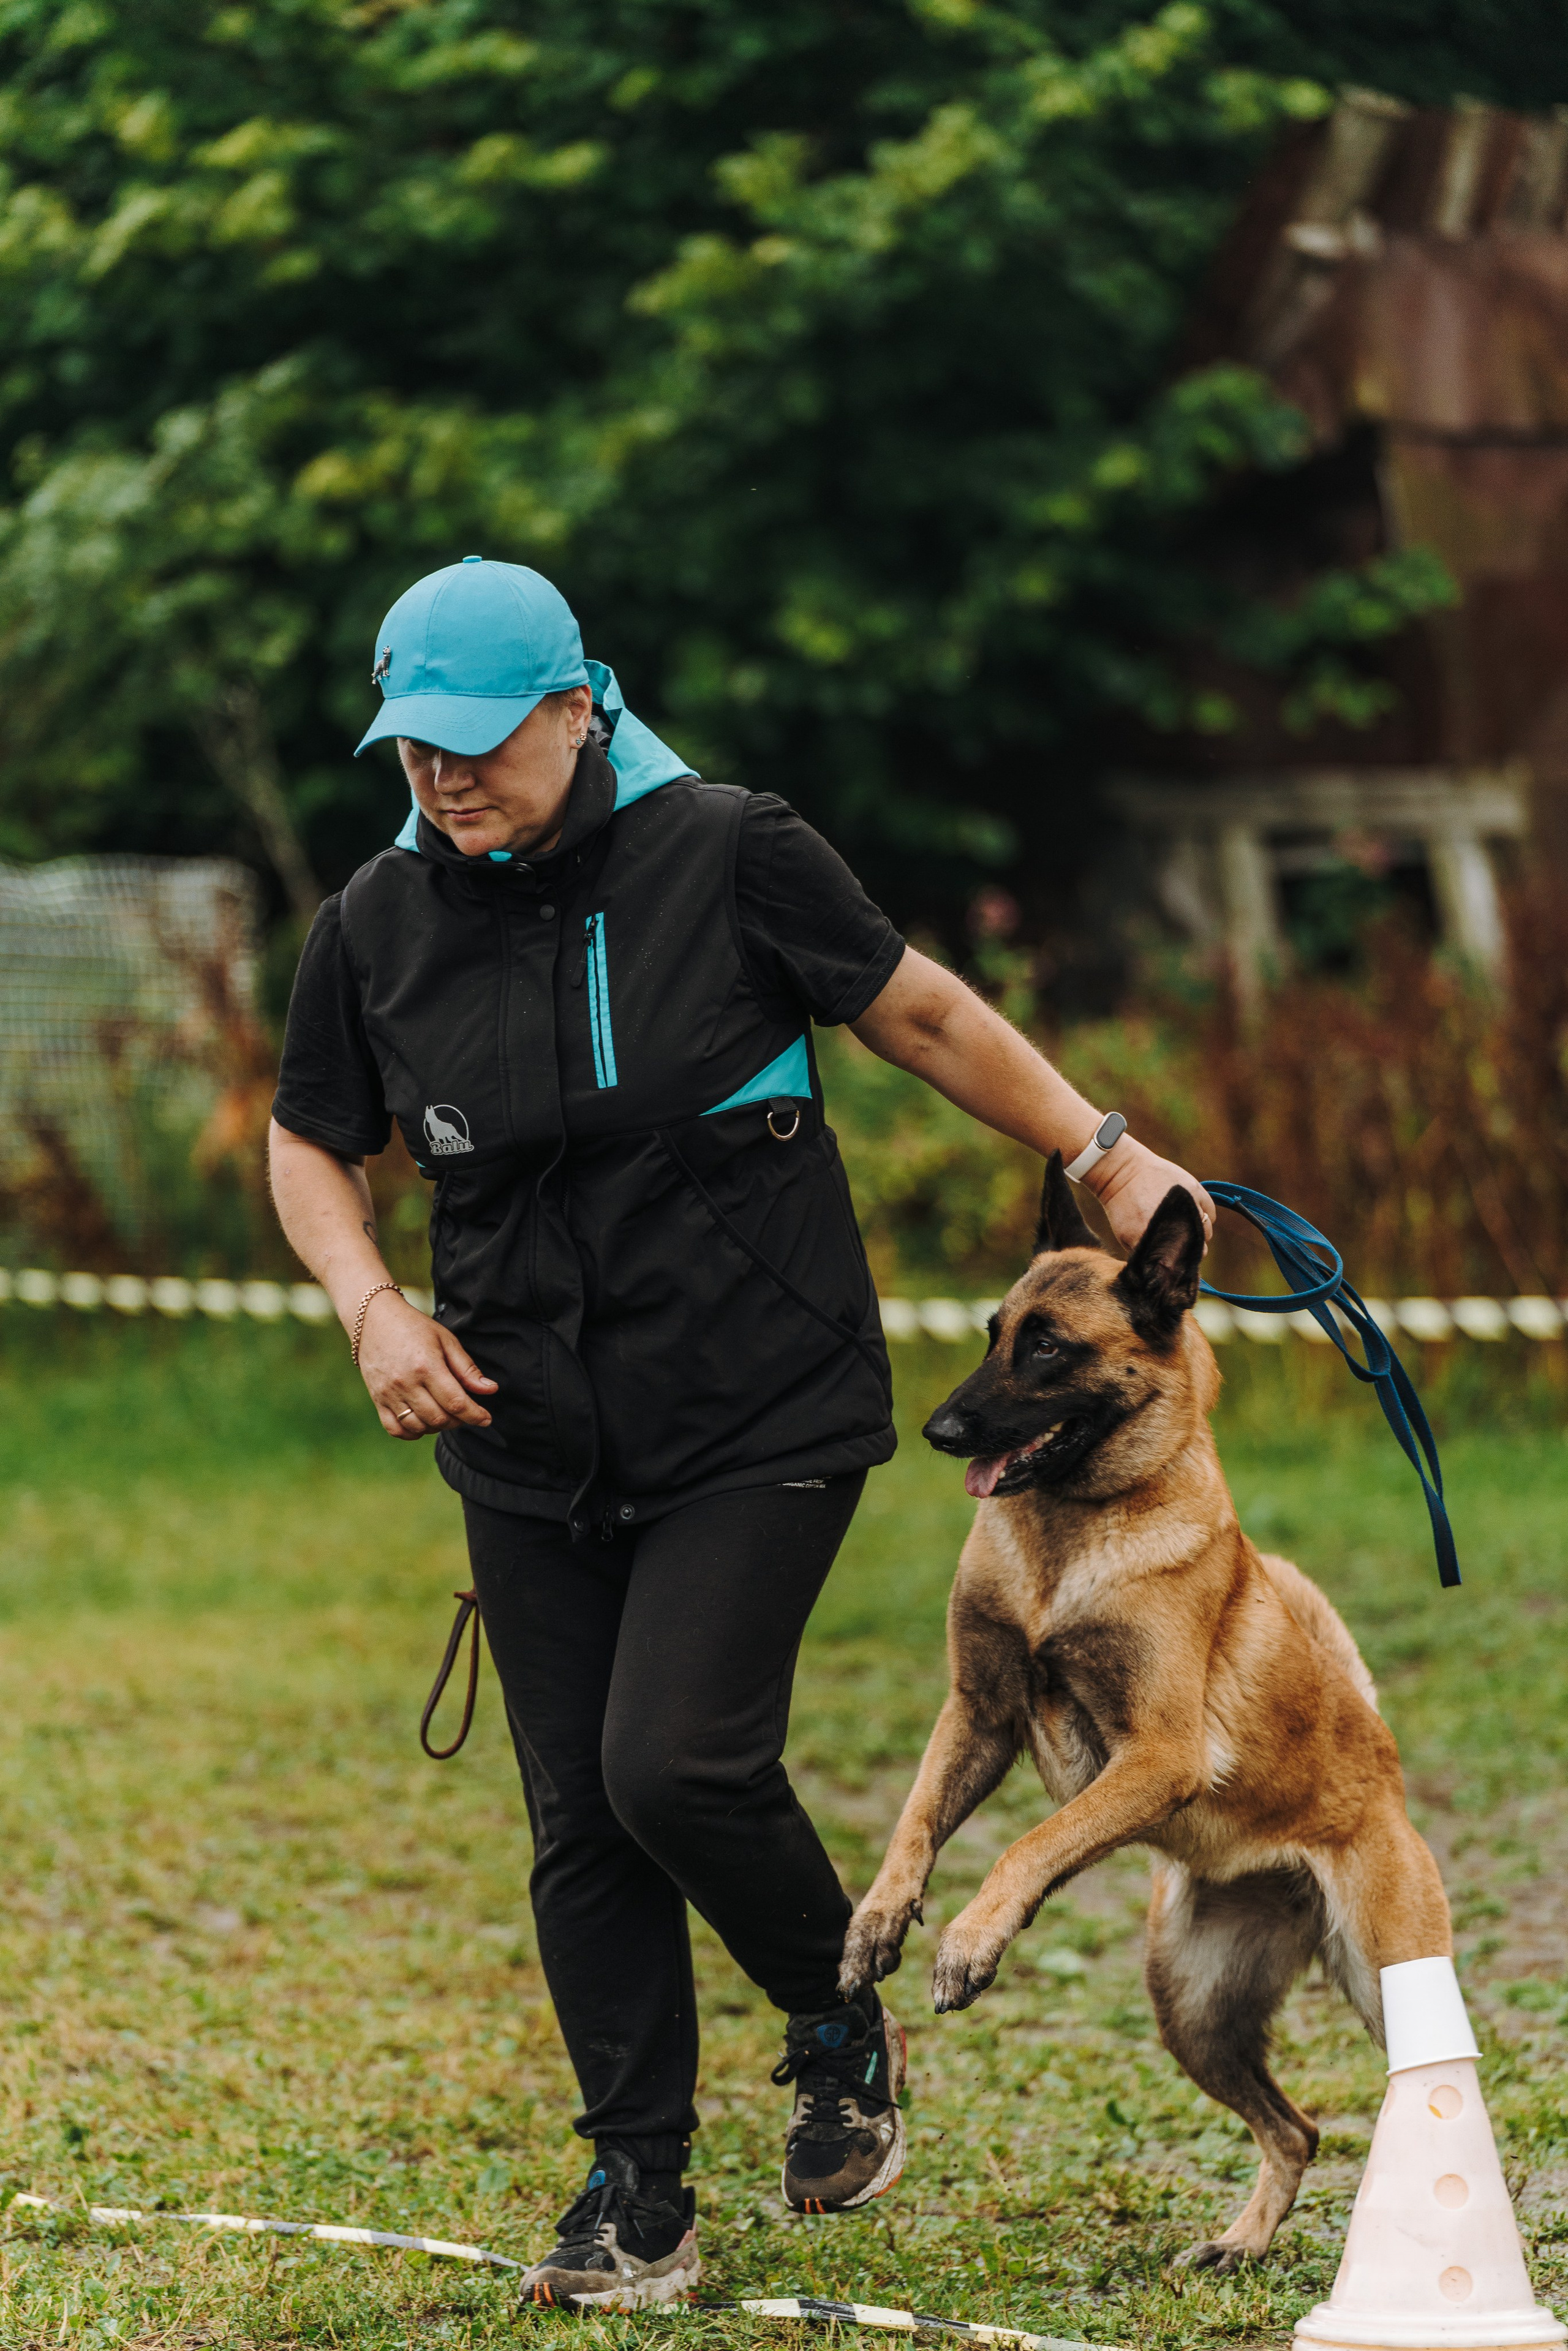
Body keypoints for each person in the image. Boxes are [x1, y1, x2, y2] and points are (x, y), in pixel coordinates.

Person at [268, 557, 1214, 2309]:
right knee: (578, 1819)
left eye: (477, 743)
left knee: (671, 1763)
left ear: (578, 707)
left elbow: (918, 1009)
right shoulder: (376, 923)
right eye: (412, 748)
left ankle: (832, 2013)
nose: (442, 778)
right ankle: (641, 2196)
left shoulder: (728, 848)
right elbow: (310, 1138)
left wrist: (1097, 1147)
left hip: (756, 1406)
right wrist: (372, 1307)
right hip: (527, 1430)